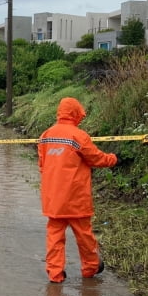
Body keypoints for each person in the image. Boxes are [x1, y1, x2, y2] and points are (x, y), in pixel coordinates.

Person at [38, 97, 118, 283]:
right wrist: (114, 159)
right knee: (84, 236)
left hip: (54, 199)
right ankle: (90, 268)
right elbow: (96, 159)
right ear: (76, 113)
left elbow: (42, 165)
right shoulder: (78, 135)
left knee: (55, 237)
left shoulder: (46, 135)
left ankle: (55, 273)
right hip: (76, 198)